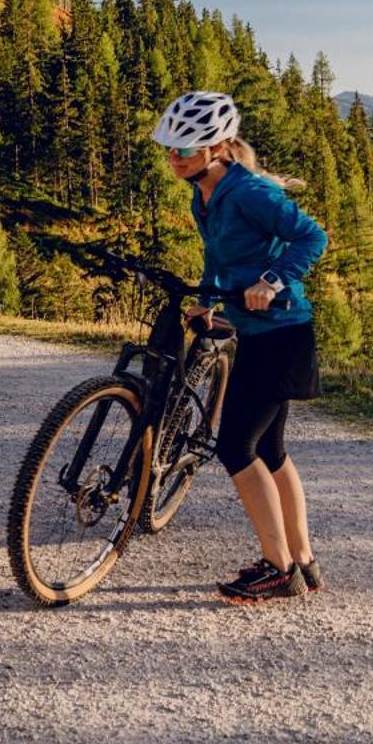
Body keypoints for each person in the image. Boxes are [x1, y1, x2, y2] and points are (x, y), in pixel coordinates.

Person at [153, 90, 329, 604]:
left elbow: (311, 237)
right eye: (170, 149)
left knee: (236, 446)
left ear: (217, 148)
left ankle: (277, 569)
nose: (174, 158)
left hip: (282, 331)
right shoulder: (203, 193)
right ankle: (303, 561)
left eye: (184, 150)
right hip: (257, 334)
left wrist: (272, 280)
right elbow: (219, 257)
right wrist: (207, 300)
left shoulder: (249, 192)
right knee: (271, 450)